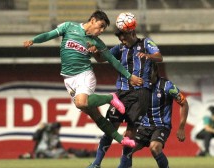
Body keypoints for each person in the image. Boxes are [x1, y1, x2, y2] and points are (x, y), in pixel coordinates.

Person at [23, 10, 143, 147]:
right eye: (101, 25)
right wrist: (34, 40)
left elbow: (112, 60)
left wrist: (129, 76)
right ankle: (121, 139)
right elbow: (49, 35)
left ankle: (111, 98)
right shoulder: (68, 27)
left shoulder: (96, 42)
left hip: (84, 75)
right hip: (68, 79)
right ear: (92, 20)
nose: (102, 30)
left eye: (104, 28)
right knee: (94, 115)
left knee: (81, 103)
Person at [81, 20, 163, 168]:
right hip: (122, 93)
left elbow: (159, 57)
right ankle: (97, 163)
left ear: (132, 32)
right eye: (120, 38)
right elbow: (101, 59)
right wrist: (95, 51)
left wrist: (148, 56)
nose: (122, 40)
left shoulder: (146, 42)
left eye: (124, 37)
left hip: (141, 93)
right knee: (110, 128)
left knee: (130, 133)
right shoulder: (120, 48)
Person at [109, 71, 189, 168]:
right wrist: (131, 127)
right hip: (143, 126)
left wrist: (181, 127)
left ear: (154, 73)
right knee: (127, 148)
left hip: (161, 126)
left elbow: (183, 103)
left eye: (148, 72)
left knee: (155, 147)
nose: (145, 76)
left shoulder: (167, 86)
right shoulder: (139, 85)